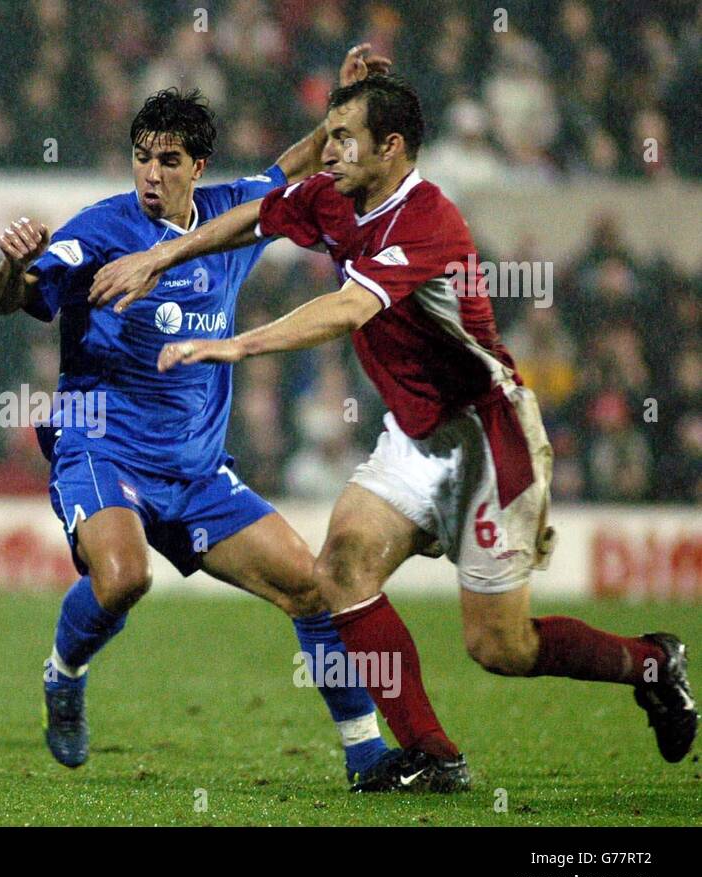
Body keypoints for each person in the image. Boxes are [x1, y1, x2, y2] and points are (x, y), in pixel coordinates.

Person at [92, 74, 697, 779]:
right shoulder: (332, 197)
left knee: (500, 648)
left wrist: (236, 343)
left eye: (345, 139)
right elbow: (256, 217)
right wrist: (163, 253)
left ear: (393, 147)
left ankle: (652, 664)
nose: (331, 150)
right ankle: (431, 756)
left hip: (486, 437)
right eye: (330, 134)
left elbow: (349, 309)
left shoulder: (428, 220)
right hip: (414, 436)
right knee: (341, 567)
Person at [0, 47, 457, 791]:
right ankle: (64, 673)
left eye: (167, 159)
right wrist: (13, 265)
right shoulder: (100, 229)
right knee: (124, 578)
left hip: (197, 470)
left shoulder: (234, 217)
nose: (150, 173)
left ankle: (366, 755)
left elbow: (297, 165)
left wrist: (344, 103)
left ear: (196, 166)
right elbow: (9, 299)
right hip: (102, 449)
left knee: (312, 586)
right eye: (140, 157)